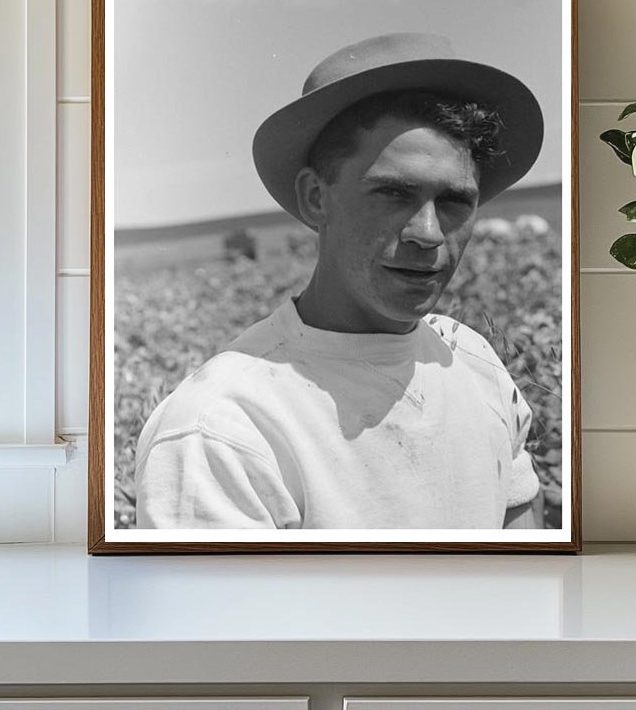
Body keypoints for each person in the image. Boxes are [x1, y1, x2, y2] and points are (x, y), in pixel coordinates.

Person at [135, 32, 546, 530]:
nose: (429, 234)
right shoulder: (226, 426)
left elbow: (523, 555)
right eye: (393, 193)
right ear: (315, 198)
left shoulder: (473, 361)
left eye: (456, 201)